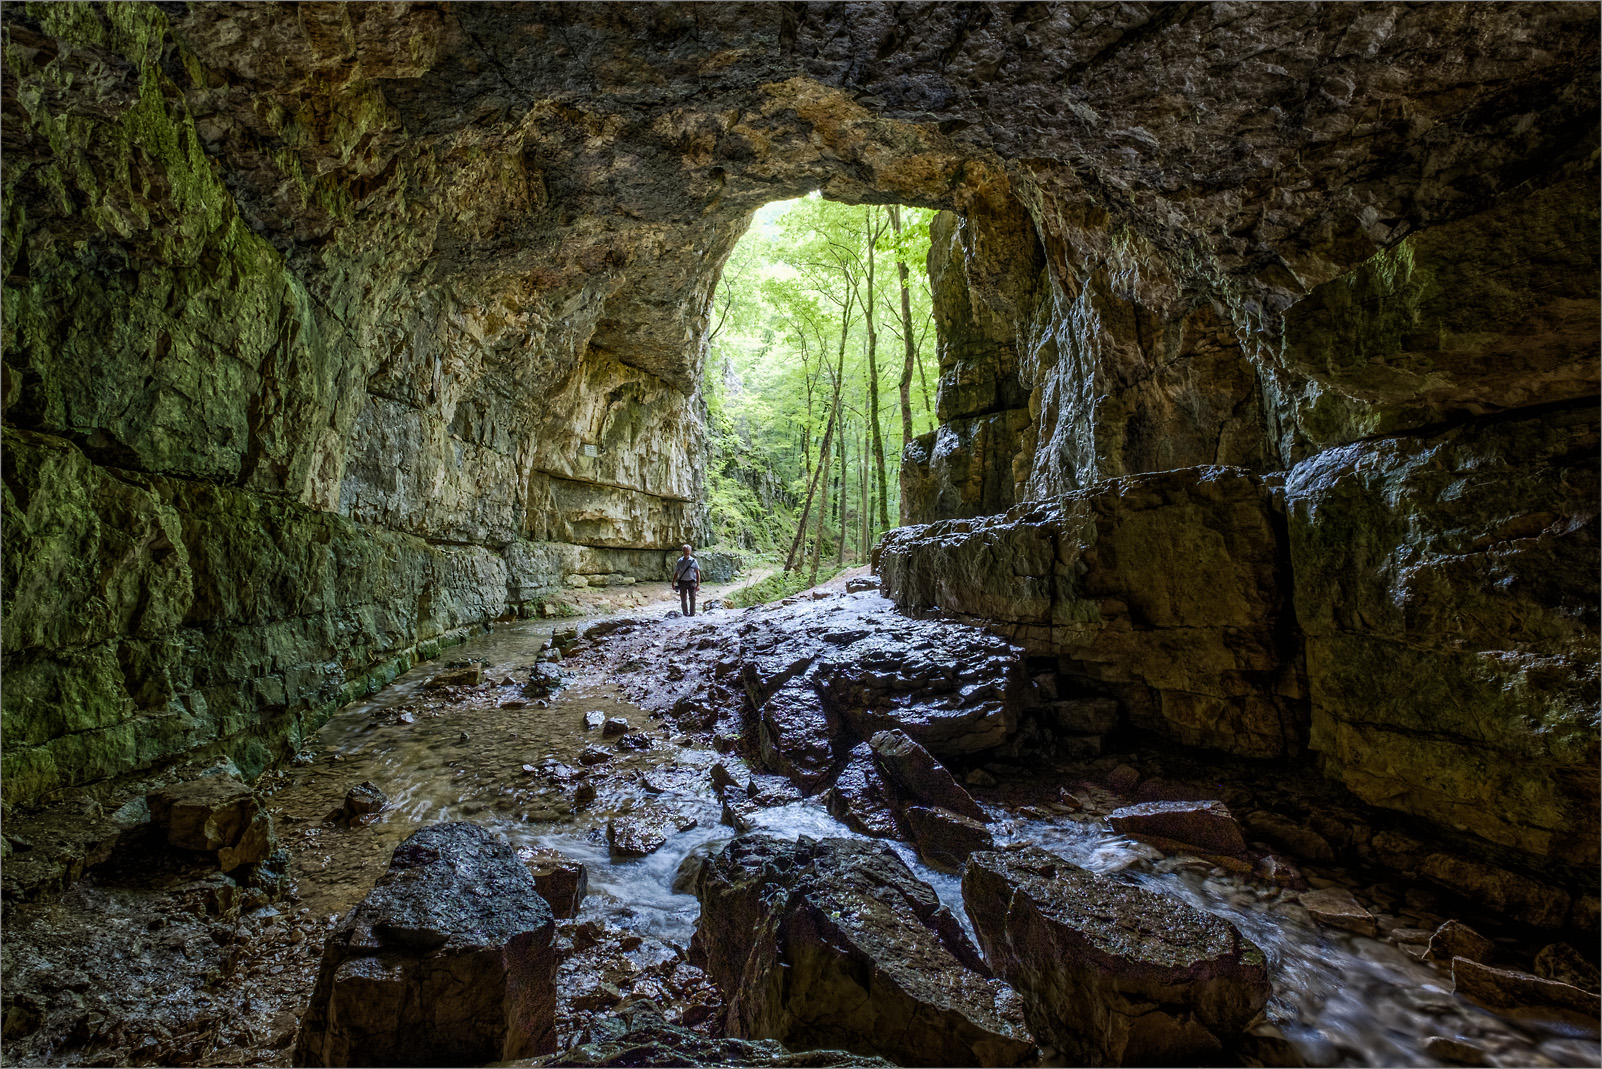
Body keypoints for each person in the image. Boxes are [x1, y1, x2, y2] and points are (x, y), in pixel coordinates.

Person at [672, 544, 701, 617]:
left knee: (693, 598)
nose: (686, 553)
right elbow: (677, 572)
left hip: (691, 582)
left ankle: (692, 614)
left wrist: (698, 584)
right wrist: (673, 582)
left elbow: (697, 573)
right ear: (683, 551)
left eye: (688, 551)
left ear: (690, 551)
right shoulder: (680, 561)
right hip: (682, 582)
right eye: (685, 551)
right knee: (683, 599)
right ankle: (685, 613)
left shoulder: (694, 561)